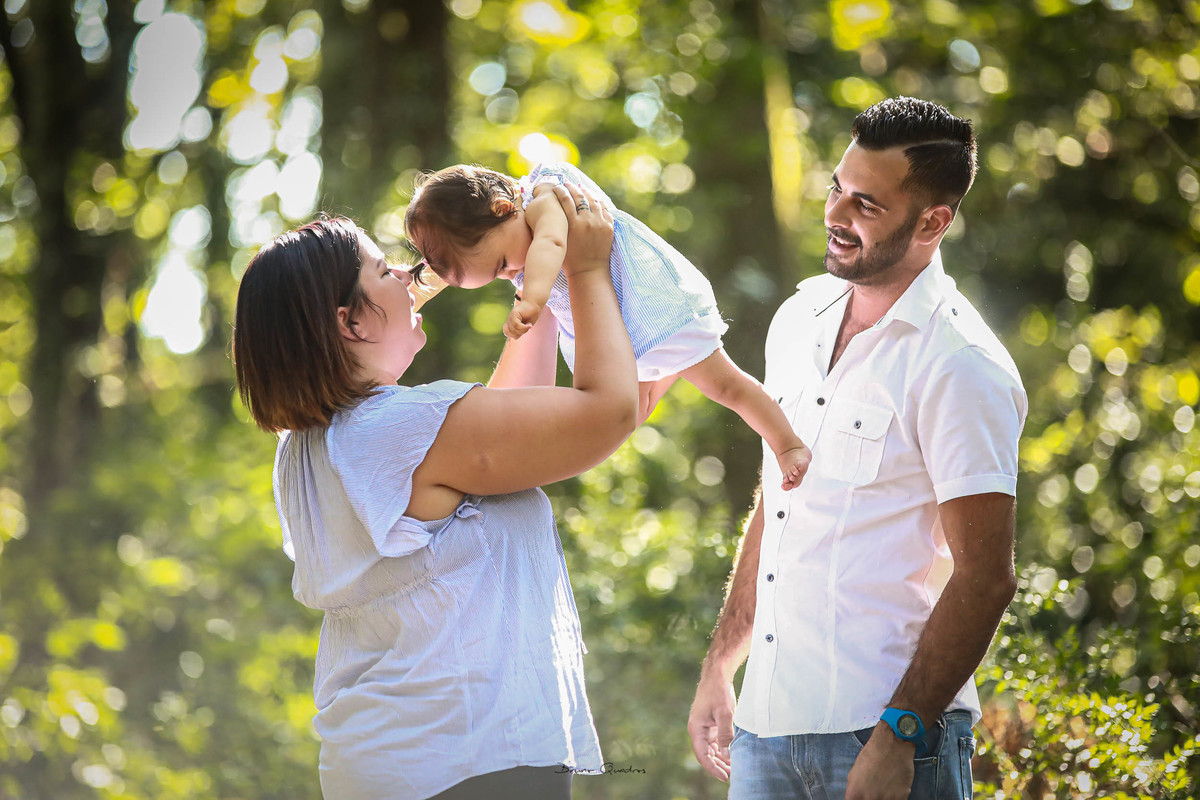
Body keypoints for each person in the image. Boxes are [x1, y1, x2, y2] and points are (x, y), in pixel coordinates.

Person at [232, 184, 637, 800]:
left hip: (415, 761)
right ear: (352, 320)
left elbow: (508, 432)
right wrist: (583, 267)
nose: (405, 272)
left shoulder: (314, 444)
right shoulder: (392, 428)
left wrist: (533, 282)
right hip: (464, 767)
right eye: (380, 268)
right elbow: (607, 414)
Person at [686, 97, 1028, 800]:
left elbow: (986, 577)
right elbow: (777, 505)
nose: (836, 216)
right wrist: (722, 665)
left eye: (865, 205)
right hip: (766, 729)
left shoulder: (960, 363)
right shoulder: (796, 319)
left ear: (934, 222)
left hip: (889, 737)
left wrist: (902, 731)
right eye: (837, 189)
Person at [403, 162, 811, 490]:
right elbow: (466, 257)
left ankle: (787, 444)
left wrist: (532, 301)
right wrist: (415, 285)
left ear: (503, 209)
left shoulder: (545, 199)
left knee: (726, 385)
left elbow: (552, 246)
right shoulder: (505, 231)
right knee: (618, 420)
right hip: (620, 332)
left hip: (653, 312)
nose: (511, 274)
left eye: (502, 265)